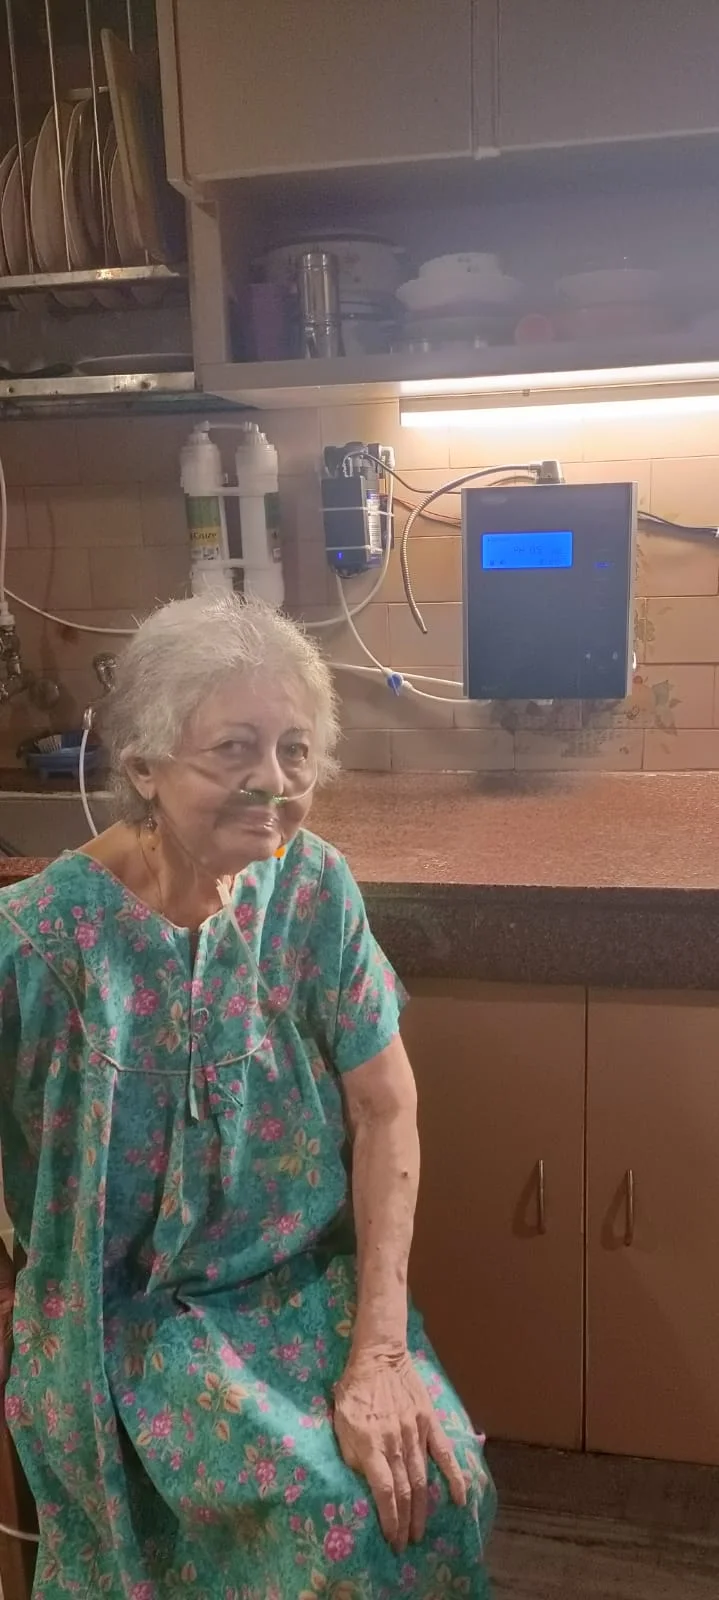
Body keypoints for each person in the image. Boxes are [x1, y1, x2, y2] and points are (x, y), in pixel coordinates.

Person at [0, 594, 495, 1599]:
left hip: (305, 1292)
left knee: (441, 1486)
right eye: (233, 748)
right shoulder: (38, 943)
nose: (272, 782)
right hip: (126, 1326)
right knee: (326, 1524)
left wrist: (379, 1352)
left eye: (296, 750)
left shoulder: (311, 891)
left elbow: (385, 1107)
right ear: (141, 765)